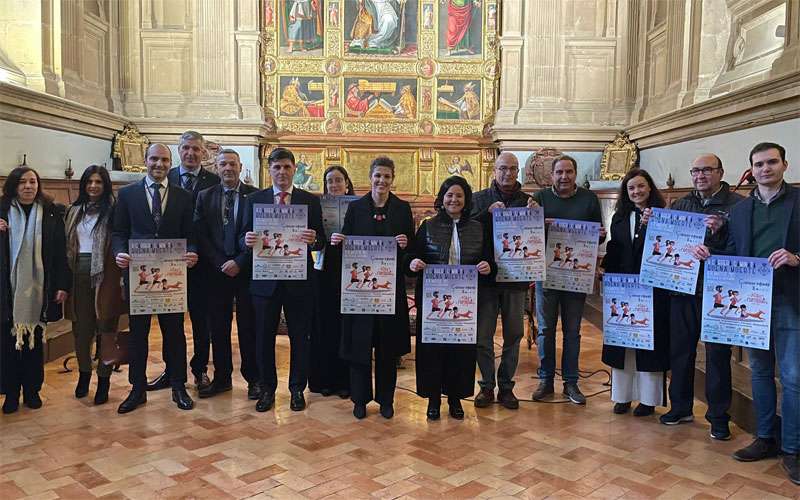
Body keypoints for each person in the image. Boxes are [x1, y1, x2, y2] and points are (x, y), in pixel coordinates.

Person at [692, 142, 799, 485]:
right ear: (750, 169)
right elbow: (734, 252)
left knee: (795, 378)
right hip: (752, 302)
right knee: (760, 372)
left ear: (785, 165)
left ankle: (794, 449)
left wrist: (798, 257)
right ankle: (765, 438)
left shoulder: (799, 202)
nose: (765, 169)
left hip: (789, 299)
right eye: (758, 164)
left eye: (771, 162)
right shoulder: (739, 211)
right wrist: (711, 255)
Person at [660, 154, 743, 440]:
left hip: (718, 291)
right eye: (695, 170)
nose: (700, 175)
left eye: (707, 170)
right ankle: (680, 407)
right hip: (682, 290)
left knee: (718, 356)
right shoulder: (682, 204)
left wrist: (720, 236)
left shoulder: (738, 206)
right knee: (681, 350)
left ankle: (718, 417)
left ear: (720, 172)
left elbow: (742, 251)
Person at [112, 143, 199, 414]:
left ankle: (178, 386)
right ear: (146, 162)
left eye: (163, 160)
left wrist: (193, 253)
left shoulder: (183, 196)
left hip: (171, 277)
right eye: (154, 159)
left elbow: (191, 235)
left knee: (174, 333)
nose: (158, 164)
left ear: (169, 163)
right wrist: (119, 253)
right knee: (138, 335)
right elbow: (119, 232)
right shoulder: (127, 195)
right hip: (139, 276)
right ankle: (137, 389)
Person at [242, 147, 325, 413]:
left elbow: (321, 239)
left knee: (300, 337)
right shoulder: (254, 199)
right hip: (265, 282)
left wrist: (315, 240)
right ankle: (267, 389)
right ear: (270, 170)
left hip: (298, 281)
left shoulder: (309, 201)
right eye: (276, 167)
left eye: (287, 167)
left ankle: (297, 389)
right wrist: (246, 241)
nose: (282, 172)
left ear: (294, 169)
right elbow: (241, 237)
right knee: (264, 337)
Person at [331, 156, 414, 419]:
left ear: (393, 179)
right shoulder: (356, 208)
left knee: (387, 348)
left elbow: (410, 249)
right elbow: (346, 242)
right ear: (370, 177)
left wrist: (405, 245)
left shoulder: (402, 208)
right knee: (359, 345)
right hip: (361, 294)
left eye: (387, 176)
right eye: (378, 176)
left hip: (388, 290)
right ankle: (360, 399)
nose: (382, 181)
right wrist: (339, 240)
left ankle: (386, 400)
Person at [407, 176, 494, 420]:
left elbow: (490, 260)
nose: (453, 199)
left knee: (461, 352)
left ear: (466, 200)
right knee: (433, 351)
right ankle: (433, 400)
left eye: (458, 195)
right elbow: (412, 255)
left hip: (465, 299)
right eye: (449, 195)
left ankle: (456, 399)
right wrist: (412, 262)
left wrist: (488, 267)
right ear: (442, 199)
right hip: (432, 300)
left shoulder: (478, 228)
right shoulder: (428, 226)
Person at [145, 131, 219, 394]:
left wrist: (201, 252)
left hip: (203, 266)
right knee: (171, 323)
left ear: (204, 152)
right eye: (186, 148)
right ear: (179, 150)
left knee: (202, 322)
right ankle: (172, 370)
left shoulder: (215, 180)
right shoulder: (166, 176)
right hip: (167, 266)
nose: (191, 153)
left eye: (196, 149)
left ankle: (200, 370)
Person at [532, 154, 605, 405]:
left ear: (575, 173)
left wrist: (600, 235)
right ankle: (546, 379)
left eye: (569, 172)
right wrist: (543, 224)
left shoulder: (589, 199)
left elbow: (599, 235)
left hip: (576, 275)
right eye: (559, 172)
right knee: (545, 330)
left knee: (572, 331)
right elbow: (527, 230)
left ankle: (571, 382)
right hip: (547, 272)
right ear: (551, 175)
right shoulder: (540, 198)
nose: (564, 177)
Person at [598, 169, 669, 417]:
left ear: (650, 188)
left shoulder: (663, 217)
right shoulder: (619, 217)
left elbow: (668, 250)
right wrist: (604, 268)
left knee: (648, 343)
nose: (636, 191)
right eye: (631, 188)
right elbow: (616, 249)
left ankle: (648, 400)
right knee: (622, 343)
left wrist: (655, 225)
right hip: (623, 288)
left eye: (640, 186)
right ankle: (622, 396)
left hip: (652, 290)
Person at [469, 151, 538, 409]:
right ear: (494, 171)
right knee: (482, 336)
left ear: (517, 171)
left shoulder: (528, 202)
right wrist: (486, 213)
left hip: (515, 280)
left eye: (512, 168)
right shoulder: (478, 199)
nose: (507, 173)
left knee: (514, 334)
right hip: (485, 280)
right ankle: (486, 386)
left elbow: (537, 242)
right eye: (502, 168)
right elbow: (466, 229)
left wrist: (538, 217)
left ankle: (506, 386)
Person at [0, 167, 70, 414]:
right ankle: (10, 393)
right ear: (13, 186)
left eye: (32, 182)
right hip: (8, 290)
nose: (28, 186)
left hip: (41, 289)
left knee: (35, 343)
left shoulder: (51, 212)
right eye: (22, 182)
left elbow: (60, 253)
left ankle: (32, 390)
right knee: (8, 345)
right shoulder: (2, 210)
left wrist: (62, 285)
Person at [193, 149, 259, 400]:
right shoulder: (204, 196)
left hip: (247, 271)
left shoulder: (255, 196)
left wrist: (239, 262)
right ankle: (222, 378)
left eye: (233, 164)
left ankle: (254, 379)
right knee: (218, 328)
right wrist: (222, 262)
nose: (228, 168)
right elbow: (201, 234)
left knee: (248, 327)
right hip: (216, 272)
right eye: (223, 164)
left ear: (240, 167)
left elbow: (260, 234)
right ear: (217, 168)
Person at [64, 165, 126, 405]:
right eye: (89, 181)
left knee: (107, 330)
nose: (93, 186)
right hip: (77, 273)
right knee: (81, 330)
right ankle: (83, 375)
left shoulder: (114, 212)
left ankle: (103, 381)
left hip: (107, 274)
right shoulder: (73, 211)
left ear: (105, 185)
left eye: (98, 182)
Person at [309, 166, 355, 398]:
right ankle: (323, 379)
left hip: (350, 270)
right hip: (325, 269)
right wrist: (318, 239)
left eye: (339, 180)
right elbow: (314, 240)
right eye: (330, 181)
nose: (334, 185)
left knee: (345, 326)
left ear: (347, 184)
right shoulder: (317, 206)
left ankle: (345, 381)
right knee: (324, 325)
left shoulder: (358, 207)